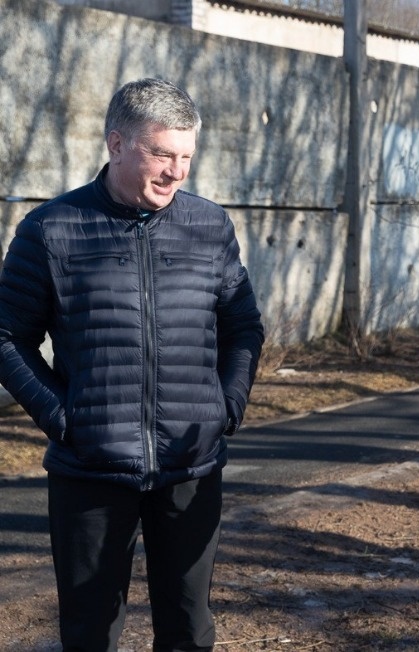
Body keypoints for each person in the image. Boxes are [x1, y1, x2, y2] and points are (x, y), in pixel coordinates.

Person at [0, 78, 264, 651]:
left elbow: (243, 326)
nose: (177, 172)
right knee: (89, 634)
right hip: (90, 471)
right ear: (116, 144)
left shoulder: (209, 226)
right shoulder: (51, 229)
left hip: (191, 467)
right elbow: (7, 337)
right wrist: (64, 418)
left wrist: (226, 406)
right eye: (163, 154)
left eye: (187, 157)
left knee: (189, 630)